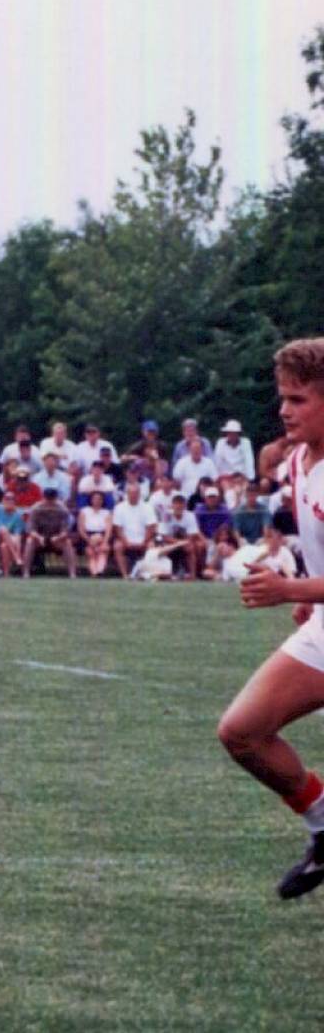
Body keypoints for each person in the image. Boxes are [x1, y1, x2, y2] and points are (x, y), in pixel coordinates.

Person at [216, 339, 324, 900]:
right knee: (242, 732)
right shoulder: (300, 459)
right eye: (282, 397)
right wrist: (309, 591)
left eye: (298, 399)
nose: (284, 410)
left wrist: (290, 589)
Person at [77, 490, 114, 578]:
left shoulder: (107, 513)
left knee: (103, 549)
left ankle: (100, 571)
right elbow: (81, 530)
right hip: (87, 537)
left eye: (100, 499)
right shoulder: (84, 511)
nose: (97, 501)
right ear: (91, 500)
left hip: (103, 536)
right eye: (95, 499)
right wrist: (90, 541)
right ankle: (94, 572)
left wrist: (104, 542)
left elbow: (109, 530)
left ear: (103, 500)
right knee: (90, 552)